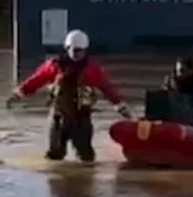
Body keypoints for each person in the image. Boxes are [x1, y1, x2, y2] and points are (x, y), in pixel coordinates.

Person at [7, 29, 131, 162]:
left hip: (81, 118)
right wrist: (18, 94)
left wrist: (120, 105)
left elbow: (107, 88)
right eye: (73, 49)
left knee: (86, 157)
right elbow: (37, 80)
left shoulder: (93, 70)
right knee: (54, 155)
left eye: (79, 50)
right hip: (58, 117)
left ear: (85, 50)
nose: (76, 53)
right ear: (67, 48)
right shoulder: (54, 66)